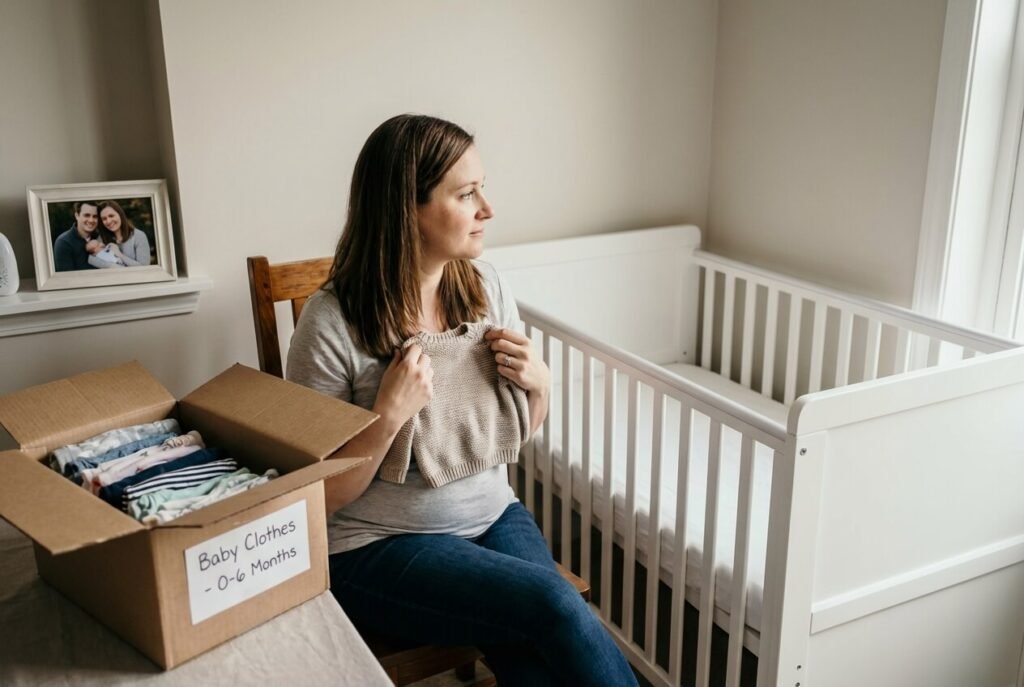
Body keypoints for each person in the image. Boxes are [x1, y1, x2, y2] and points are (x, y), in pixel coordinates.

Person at [287, 114, 637, 686]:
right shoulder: (330, 323)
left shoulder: (483, 286)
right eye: (465, 193)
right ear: (409, 208)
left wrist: (540, 385)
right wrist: (387, 416)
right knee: (553, 605)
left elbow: (511, 435)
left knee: (535, 658)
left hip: (492, 515)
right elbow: (317, 495)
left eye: (482, 188)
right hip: (378, 548)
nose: (487, 209)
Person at [97, 200, 151, 266]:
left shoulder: (139, 236)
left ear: (120, 214)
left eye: (111, 216)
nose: (108, 221)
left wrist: (119, 254)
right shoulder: (101, 239)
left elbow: (144, 268)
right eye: (104, 219)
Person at [52, 201, 99, 271]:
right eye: (87, 215)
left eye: (95, 216)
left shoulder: (100, 238)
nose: (91, 220)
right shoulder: (64, 242)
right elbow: (67, 278)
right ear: (77, 216)